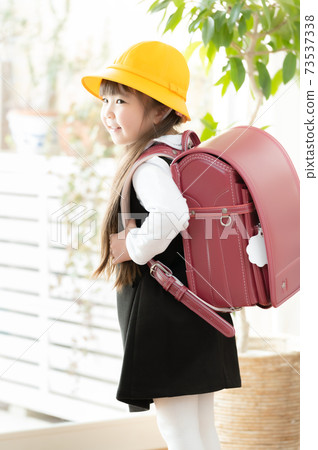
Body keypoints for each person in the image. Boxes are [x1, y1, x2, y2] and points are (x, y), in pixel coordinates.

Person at [82, 41, 241, 450]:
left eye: (121, 100)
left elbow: (172, 215)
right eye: (106, 100)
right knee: (202, 429)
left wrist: (132, 248)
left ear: (158, 111)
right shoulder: (184, 151)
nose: (108, 112)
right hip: (201, 305)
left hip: (169, 314)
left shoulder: (149, 165)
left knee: (178, 430)